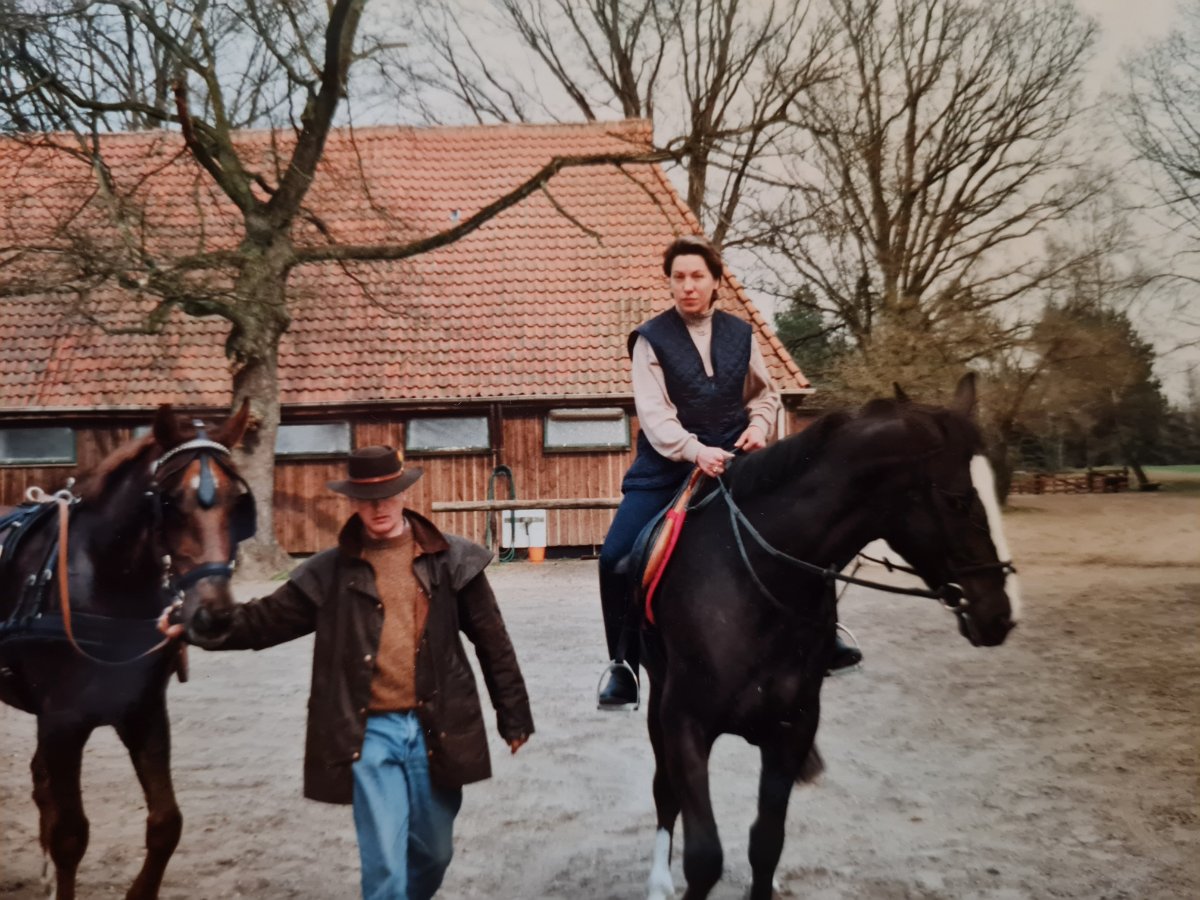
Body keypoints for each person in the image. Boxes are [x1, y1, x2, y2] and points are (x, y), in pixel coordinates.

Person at [161, 446, 533, 900]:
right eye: (366, 498)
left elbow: (494, 643)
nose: (378, 508)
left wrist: (514, 716)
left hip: (437, 726)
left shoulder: (452, 559)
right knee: (386, 868)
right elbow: (261, 621)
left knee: (434, 854)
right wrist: (193, 626)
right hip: (369, 733)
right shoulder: (329, 572)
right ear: (352, 501)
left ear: (404, 494)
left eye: (387, 496)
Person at [596, 235, 861, 710]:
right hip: (667, 470)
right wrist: (695, 451)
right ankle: (624, 666)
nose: (688, 286)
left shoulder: (741, 334)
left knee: (806, 528)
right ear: (669, 283)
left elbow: (764, 395)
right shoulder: (649, 339)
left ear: (716, 282)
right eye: (678, 277)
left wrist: (758, 427)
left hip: (739, 465)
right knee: (616, 554)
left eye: (697, 276)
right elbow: (655, 417)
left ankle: (825, 634)